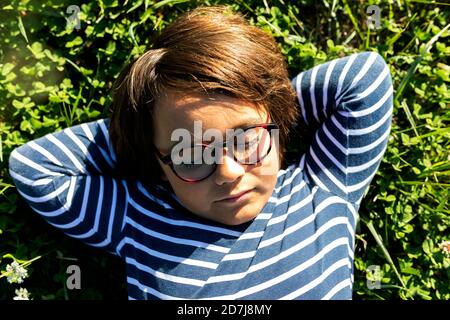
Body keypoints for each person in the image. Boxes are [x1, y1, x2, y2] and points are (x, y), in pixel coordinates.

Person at [8, 5, 393, 300]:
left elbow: (362, 79)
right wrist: (141, 127)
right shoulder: (139, 219)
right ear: (159, 164)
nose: (227, 172)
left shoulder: (321, 189)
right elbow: (34, 168)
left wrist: (268, 100)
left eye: (247, 139)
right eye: (191, 152)